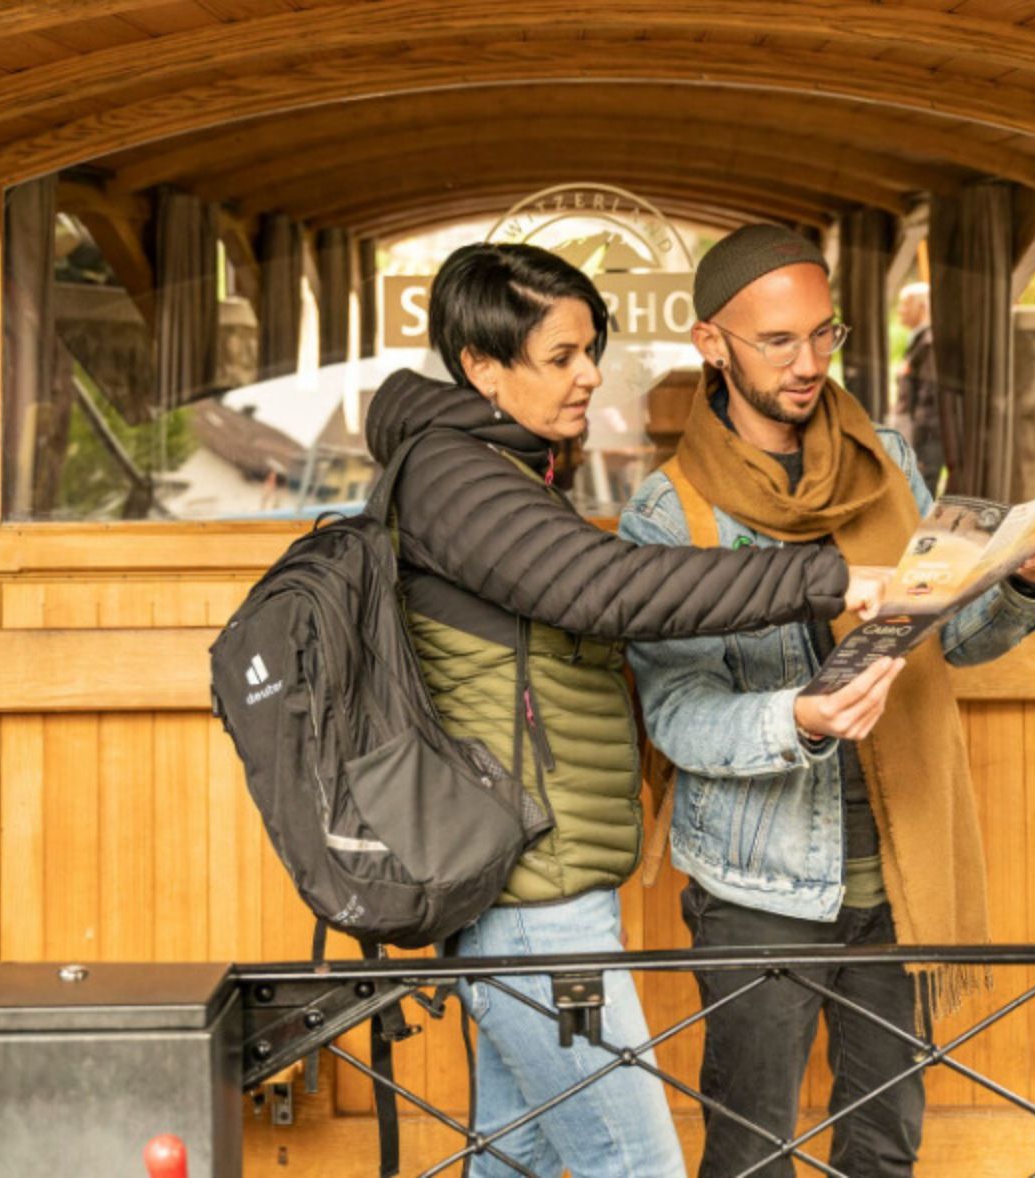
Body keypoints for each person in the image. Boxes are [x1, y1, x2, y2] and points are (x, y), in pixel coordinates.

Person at [365, 241, 882, 1178]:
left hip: (541, 884)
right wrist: (829, 574)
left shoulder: (504, 467)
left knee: (512, 1161)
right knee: (632, 1166)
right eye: (560, 356)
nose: (590, 374)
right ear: (482, 366)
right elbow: (606, 587)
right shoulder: (453, 474)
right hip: (533, 900)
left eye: (588, 349)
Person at [619, 225, 1035, 1177]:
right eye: (777, 342)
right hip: (757, 893)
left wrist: (1023, 582)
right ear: (712, 344)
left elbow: (948, 638)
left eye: (824, 336)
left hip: (902, 872)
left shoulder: (888, 461)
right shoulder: (669, 516)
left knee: (884, 1148)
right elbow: (676, 712)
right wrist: (797, 721)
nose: (808, 364)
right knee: (751, 1155)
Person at [891, 281, 946, 489]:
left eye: (905, 304)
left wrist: (916, 442)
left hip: (925, 438)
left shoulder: (930, 344)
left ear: (922, 307)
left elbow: (929, 396)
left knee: (921, 489)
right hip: (914, 434)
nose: (900, 311)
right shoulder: (917, 341)